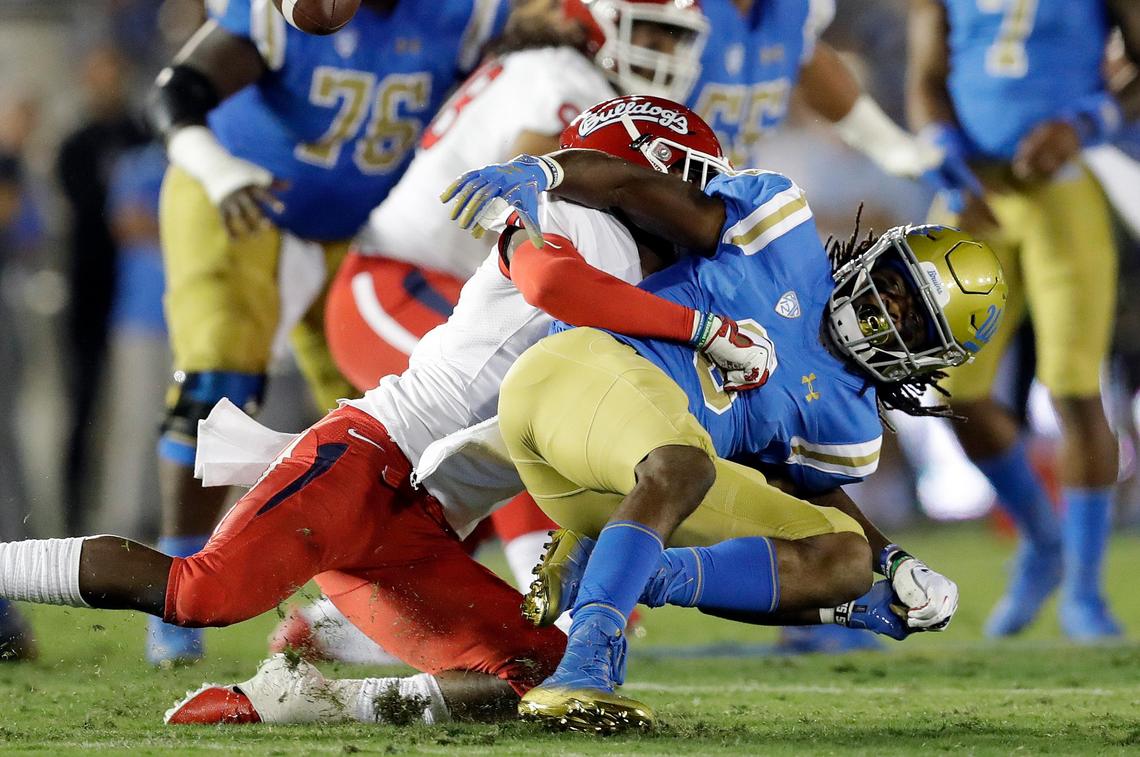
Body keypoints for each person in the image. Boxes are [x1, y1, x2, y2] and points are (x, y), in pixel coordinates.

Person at [0, 95, 794, 728]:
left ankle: (292, 701)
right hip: (367, 455)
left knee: (539, 673)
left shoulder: (643, 278)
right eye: (686, 179)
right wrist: (705, 330)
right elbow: (555, 286)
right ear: (637, 171)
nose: (697, 206)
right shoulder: (578, 221)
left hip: (418, 511)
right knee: (202, 592)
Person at [441, 94, 1006, 731]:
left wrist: (893, 563)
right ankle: (588, 659)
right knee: (684, 463)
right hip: (571, 381)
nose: (887, 309)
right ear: (877, 257)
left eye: (914, 320)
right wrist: (548, 171)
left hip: (630, 488)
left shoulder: (849, 428)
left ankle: (620, 572)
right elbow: (633, 184)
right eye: (897, 285)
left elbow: (801, 490)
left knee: (842, 559)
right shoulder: (782, 235)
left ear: (930, 359)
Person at [283, 0, 710, 661]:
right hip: (397, 282)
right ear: (594, 19)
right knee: (523, 413)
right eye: (650, 29)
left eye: (674, 37)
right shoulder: (562, 74)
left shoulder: (570, 79)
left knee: (467, 481)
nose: (663, 50)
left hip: (458, 290)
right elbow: (533, 192)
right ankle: (565, 617)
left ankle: (331, 632)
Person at [143, 0, 508, 664]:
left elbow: (536, 46)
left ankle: (373, 606)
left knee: (403, 431)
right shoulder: (279, 14)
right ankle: (178, 592)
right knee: (217, 376)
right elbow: (177, 94)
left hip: (364, 226)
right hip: (243, 192)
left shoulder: (467, 14)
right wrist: (220, 170)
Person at [906, 0, 1140, 640]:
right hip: (973, 192)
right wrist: (943, 143)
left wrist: (1088, 122)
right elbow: (926, 76)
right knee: (943, 392)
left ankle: (1086, 595)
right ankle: (1043, 541)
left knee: (1073, 386)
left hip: (1065, 185)